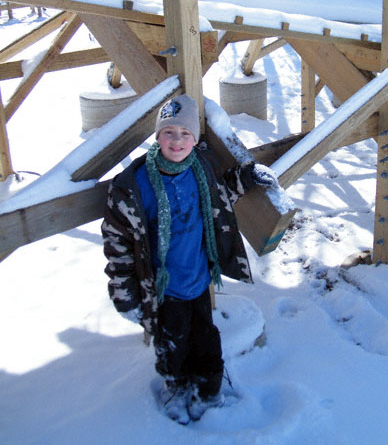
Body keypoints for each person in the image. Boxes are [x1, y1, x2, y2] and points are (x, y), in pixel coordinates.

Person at [101, 94, 278, 424]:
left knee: (207, 338)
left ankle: (209, 390)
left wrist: (246, 176)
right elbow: (119, 245)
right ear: (157, 137)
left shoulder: (202, 170)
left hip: (198, 280)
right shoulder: (133, 188)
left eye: (185, 134)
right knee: (173, 344)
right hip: (163, 288)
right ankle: (177, 387)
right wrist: (126, 297)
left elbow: (220, 195)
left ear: (195, 140)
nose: (177, 141)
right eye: (169, 133)